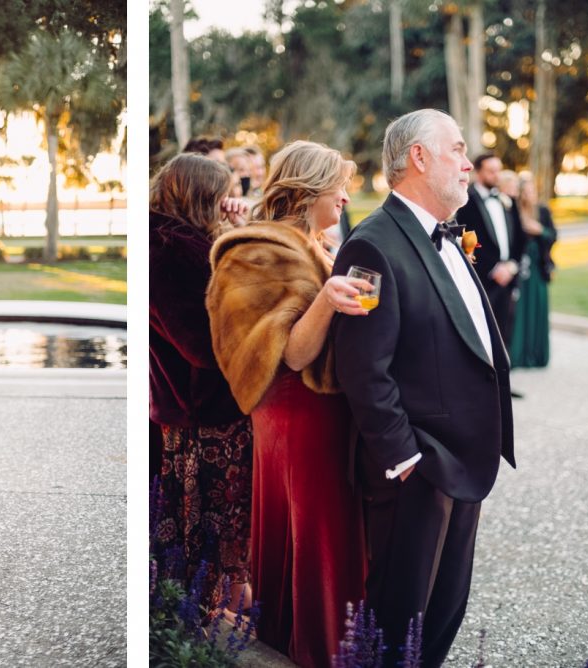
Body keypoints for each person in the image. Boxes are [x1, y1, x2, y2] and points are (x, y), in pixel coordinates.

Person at [332, 109, 516, 666]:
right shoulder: (372, 245)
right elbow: (363, 367)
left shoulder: (446, 234)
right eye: (456, 149)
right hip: (420, 473)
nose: (467, 163)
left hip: (465, 460)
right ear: (418, 157)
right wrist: (407, 459)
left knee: (441, 616)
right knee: (400, 621)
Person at [206, 140, 370, 666]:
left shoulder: (314, 244)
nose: (345, 197)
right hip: (298, 416)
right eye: (338, 187)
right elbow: (294, 354)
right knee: (318, 527)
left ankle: (312, 639)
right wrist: (328, 298)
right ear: (308, 190)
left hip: (320, 412)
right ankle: (318, 648)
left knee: (320, 528)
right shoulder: (260, 252)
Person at [149, 153, 253, 614]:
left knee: (211, 525)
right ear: (202, 198)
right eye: (222, 195)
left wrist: (233, 232)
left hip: (193, 407)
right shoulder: (172, 252)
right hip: (202, 412)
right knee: (212, 525)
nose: (229, 203)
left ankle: (215, 605)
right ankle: (213, 612)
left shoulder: (184, 242)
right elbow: (202, 344)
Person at [455, 153, 525, 347]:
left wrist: (511, 266)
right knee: (482, 336)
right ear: (478, 172)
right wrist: (493, 268)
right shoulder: (465, 203)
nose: (497, 175)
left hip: (508, 279)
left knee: (505, 335)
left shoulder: (507, 200)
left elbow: (520, 238)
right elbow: (467, 243)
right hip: (483, 280)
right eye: (491, 171)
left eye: (498, 170)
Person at [509, 174, 557, 367]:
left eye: (532, 191)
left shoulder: (543, 211)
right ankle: (519, 355)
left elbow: (553, 235)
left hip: (538, 268)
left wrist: (540, 231)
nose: (530, 195)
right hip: (520, 268)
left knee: (538, 308)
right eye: (526, 192)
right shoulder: (514, 211)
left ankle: (537, 355)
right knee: (520, 312)